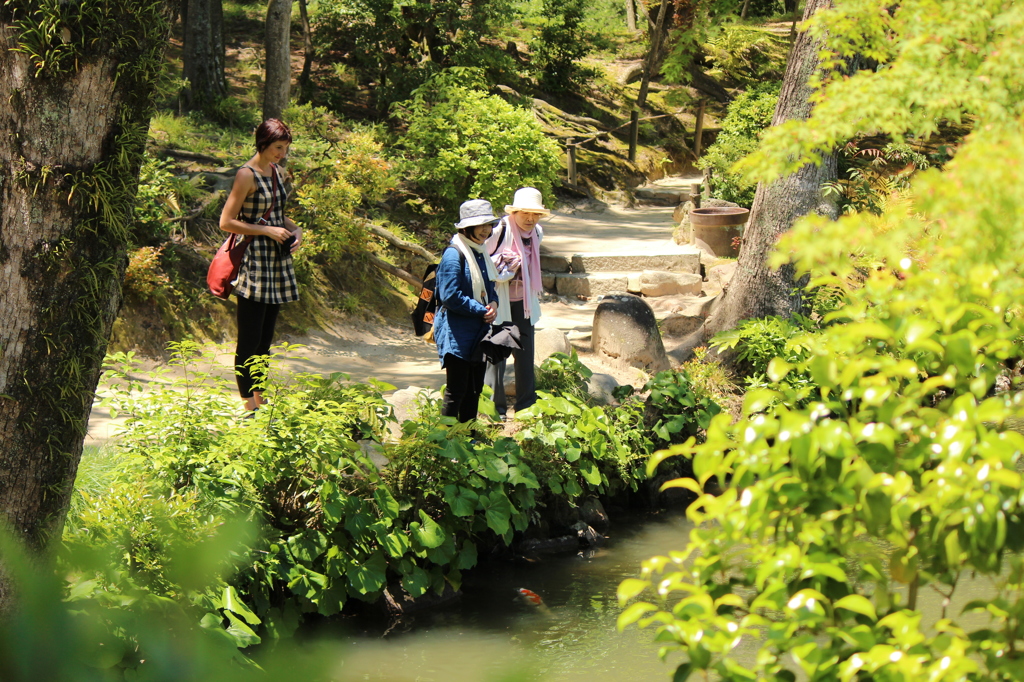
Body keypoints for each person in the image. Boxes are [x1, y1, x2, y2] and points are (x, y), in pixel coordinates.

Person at [219, 118, 302, 413]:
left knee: (265, 340)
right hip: (254, 263)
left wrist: (295, 229)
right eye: (278, 148)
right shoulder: (246, 174)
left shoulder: (277, 172)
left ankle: (260, 397)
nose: (282, 153)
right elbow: (226, 221)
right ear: (263, 144)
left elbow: (278, 214)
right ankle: (247, 405)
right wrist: (267, 231)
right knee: (249, 339)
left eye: (285, 148)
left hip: (277, 263)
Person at [484, 187, 550, 419]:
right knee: (496, 356)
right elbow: (482, 263)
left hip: (524, 302)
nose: (531, 219)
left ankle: (526, 406)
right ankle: (496, 410)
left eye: (535, 214)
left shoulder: (537, 232)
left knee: (525, 355)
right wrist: (503, 263)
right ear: (515, 212)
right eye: (525, 213)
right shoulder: (498, 231)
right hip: (499, 302)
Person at [434, 199, 501, 423]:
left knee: (475, 389)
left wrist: (493, 304)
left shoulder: (480, 252)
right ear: (466, 227)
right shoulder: (454, 254)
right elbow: (450, 296)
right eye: (481, 225)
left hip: (478, 332)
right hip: (457, 333)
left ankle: (468, 438)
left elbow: (490, 286)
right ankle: (446, 442)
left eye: (489, 225)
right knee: (457, 390)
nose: (486, 230)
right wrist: (480, 309)